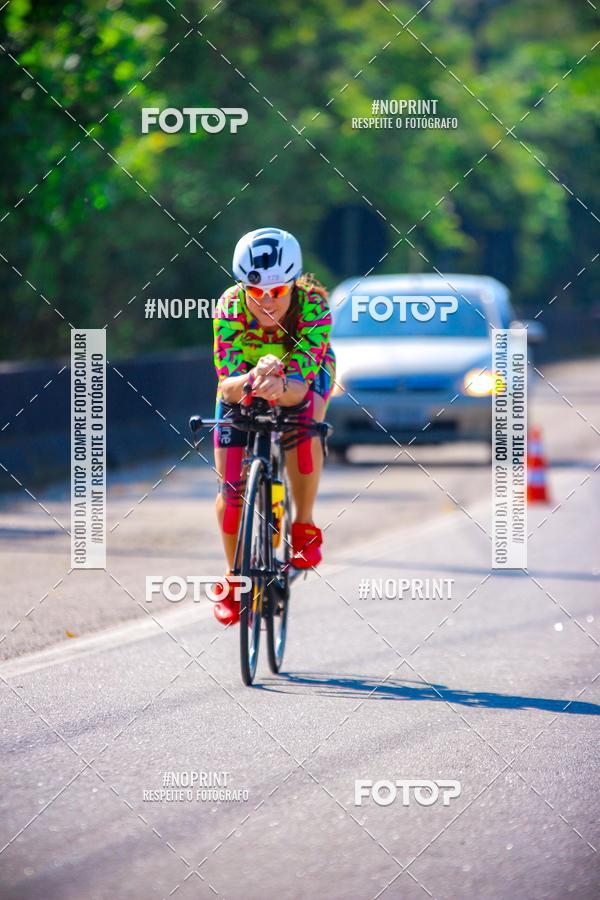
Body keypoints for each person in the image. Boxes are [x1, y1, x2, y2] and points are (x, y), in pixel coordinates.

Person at [211, 227, 336, 625]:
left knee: (304, 427)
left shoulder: (314, 306)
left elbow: (299, 388)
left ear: (293, 285)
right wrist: (252, 381)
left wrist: (278, 383)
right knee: (231, 491)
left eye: (277, 292)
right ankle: (235, 577)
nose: (266, 300)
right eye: (256, 291)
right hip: (245, 382)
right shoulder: (229, 306)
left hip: (302, 380)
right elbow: (227, 383)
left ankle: (302, 525)